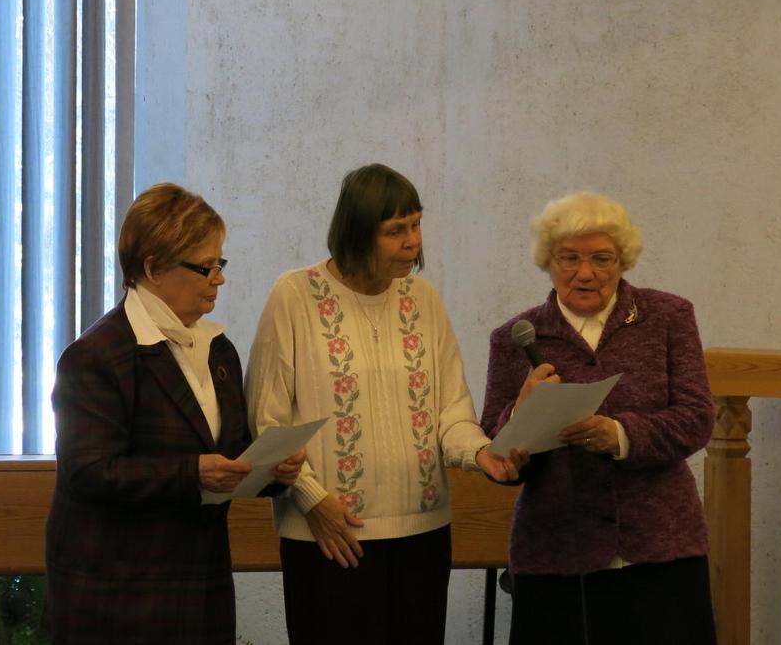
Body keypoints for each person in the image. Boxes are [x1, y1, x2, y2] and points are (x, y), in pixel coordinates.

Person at [247, 163, 527, 645]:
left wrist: (480, 452)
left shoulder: (424, 299)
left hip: (422, 531)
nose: (413, 241)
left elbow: (451, 412)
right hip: (331, 533)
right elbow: (267, 420)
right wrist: (312, 500)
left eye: (416, 225)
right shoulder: (294, 295)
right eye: (396, 230)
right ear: (356, 232)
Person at [45, 183, 304, 645]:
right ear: (153, 269)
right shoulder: (97, 355)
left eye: (220, 264)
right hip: (119, 592)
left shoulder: (218, 349)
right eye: (206, 267)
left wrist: (272, 470)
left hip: (200, 585)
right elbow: (89, 471)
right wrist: (192, 473)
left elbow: (228, 453)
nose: (219, 279)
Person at [480, 191, 717, 645]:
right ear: (548, 261)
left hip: (660, 548)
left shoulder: (668, 317)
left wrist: (621, 435)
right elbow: (496, 450)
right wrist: (519, 414)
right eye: (569, 257)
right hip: (555, 554)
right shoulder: (515, 338)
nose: (585, 273)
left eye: (601, 258)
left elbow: (697, 417)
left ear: (623, 260)